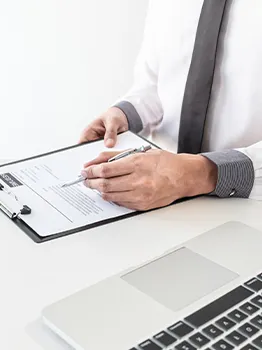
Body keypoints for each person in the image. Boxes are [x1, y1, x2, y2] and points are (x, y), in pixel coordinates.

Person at [79, 0, 262, 211]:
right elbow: (155, 83)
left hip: (247, 210)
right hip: (156, 199)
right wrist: (126, 114)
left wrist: (198, 175)